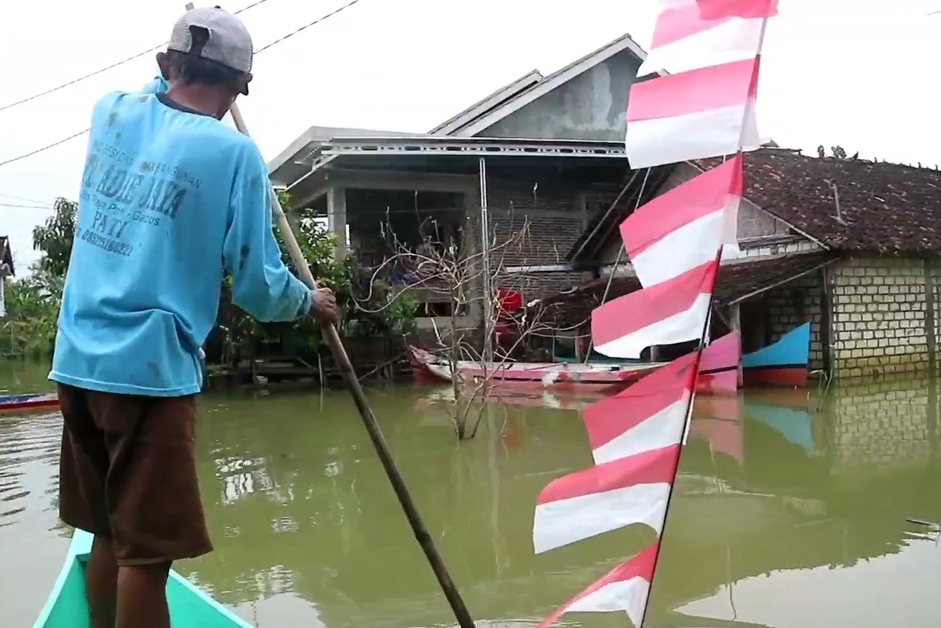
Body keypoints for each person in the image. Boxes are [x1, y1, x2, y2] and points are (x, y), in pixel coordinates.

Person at [49, 7, 336, 628]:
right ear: (242, 87)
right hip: (149, 375)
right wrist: (309, 303)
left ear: (165, 63)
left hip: (75, 361)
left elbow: (156, 90)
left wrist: (180, 61)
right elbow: (259, 286)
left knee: (107, 533)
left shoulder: (110, 112)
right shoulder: (234, 154)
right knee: (147, 559)